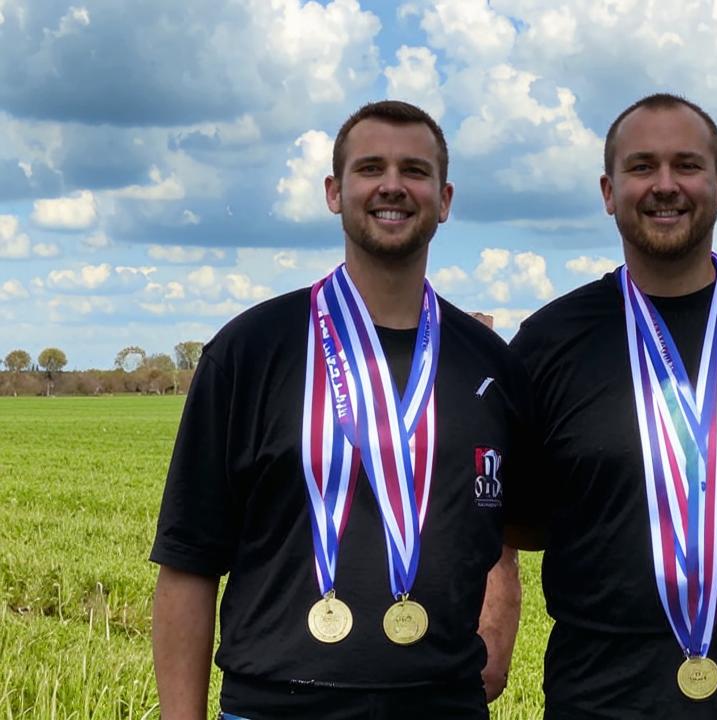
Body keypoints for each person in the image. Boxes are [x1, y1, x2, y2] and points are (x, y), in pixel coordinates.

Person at [150, 100, 532, 720]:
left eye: (414, 170)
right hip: (275, 707)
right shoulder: (249, 351)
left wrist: (494, 644)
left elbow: (507, 534)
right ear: (334, 191)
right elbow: (188, 563)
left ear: (445, 197)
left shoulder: (491, 364)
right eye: (369, 168)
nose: (392, 186)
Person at [510, 93, 717, 719]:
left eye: (686, 165)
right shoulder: (550, 342)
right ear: (609, 191)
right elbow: (517, 521)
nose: (665, 185)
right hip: (600, 702)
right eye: (641, 167)